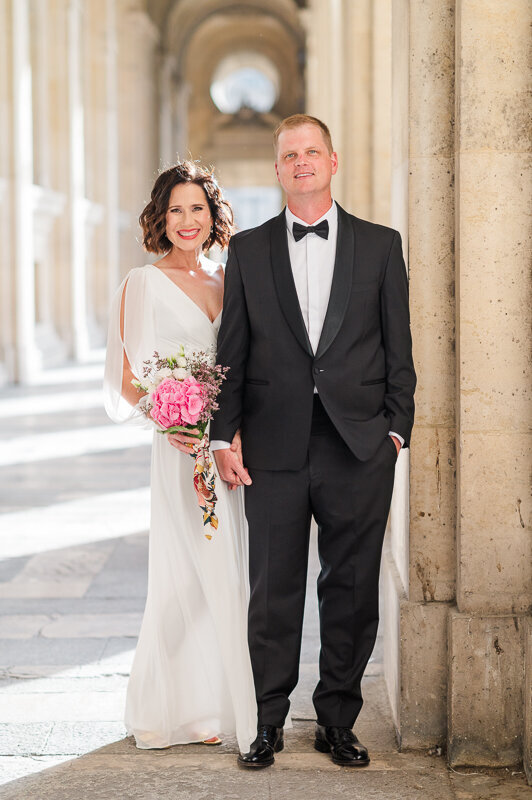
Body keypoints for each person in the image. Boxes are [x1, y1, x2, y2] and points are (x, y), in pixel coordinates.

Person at [211, 114, 416, 769]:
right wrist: (221, 436)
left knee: (350, 590)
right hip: (272, 447)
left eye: (311, 152)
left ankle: (337, 722)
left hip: (359, 445)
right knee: (272, 590)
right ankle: (268, 722)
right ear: (277, 170)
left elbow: (399, 349)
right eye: (289, 155)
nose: (301, 162)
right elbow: (232, 353)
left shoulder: (381, 245)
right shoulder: (248, 251)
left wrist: (395, 430)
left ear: (333, 161)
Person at [103, 162, 256, 753]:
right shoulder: (141, 284)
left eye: (197, 209)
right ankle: (158, 705)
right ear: (159, 219)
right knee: (181, 579)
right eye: (175, 210)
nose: (187, 221)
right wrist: (169, 419)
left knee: (221, 577)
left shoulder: (228, 280)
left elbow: (242, 368)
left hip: (222, 455)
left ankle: (210, 706)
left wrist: (228, 432)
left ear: (212, 215)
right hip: (176, 454)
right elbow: (124, 377)